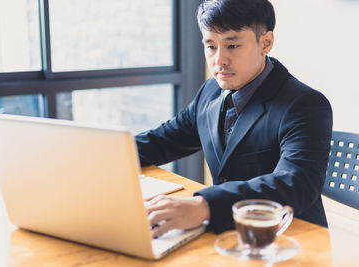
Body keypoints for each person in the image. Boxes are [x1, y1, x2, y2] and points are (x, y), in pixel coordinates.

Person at [136, 0, 332, 238]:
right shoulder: (210, 92)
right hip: (227, 231)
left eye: (233, 45)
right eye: (210, 46)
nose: (219, 60)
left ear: (266, 43)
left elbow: (294, 183)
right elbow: (163, 141)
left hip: (288, 236)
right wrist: (103, 153)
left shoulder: (305, 104)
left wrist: (205, 205)